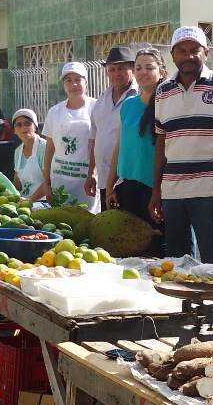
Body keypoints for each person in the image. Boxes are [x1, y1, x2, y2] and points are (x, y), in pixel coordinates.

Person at [150, 26, 213, 265]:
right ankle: (185, 304)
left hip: (210, 192)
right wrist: (156, 192)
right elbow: (162, 142)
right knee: (178, 264)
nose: (188, 55)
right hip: (172, 193)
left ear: (206, 53)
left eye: (195, 50)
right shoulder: (163, 92)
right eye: (181, 50)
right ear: (172, 55)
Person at [106, 46, 165, 252]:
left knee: (155, 248)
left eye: (149, 68)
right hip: (128, 187)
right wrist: (111, 186)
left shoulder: (167, 104)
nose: (143, 73)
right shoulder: (129, 104)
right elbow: (120, 146)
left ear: (161, 72)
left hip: (155, 189)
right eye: (138, 68)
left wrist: (158, 191)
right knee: (130, 249)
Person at [42, 61, 99, 211]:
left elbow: (99, 144)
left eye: (78, 80)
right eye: (68, 80)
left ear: (86, 83)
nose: (73, 84)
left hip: (87, 182)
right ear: (64, 85)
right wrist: (47, 184)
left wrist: (92, 174)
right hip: (60, 181)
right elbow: (49, 149)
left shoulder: (97, 107)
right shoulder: (55, 112)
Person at [87, 46, 138, 202]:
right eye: (112, 69)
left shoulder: (140, 98)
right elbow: (95, 139)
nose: (116, 73)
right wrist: (91, 174)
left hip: (130, 180)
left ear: (133, 70)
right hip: (103, 179)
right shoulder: (101, 101)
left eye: (121, 68)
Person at [11, 107, 50, 204]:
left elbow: (49, 182)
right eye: (19, 125)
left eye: (28, 123)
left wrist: (30, 201)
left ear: (35, 127)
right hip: (25, 201)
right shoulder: (18, 152)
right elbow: (17, 183)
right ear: (15, 131)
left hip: (45, 201)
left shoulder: (44, 148)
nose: (23, 127)